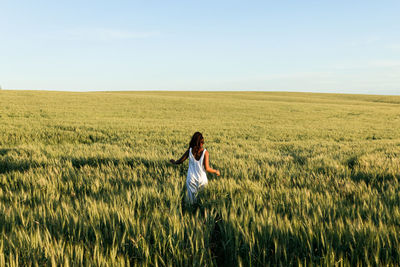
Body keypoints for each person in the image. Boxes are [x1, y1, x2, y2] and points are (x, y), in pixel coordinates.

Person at [170, 132, 220, 203]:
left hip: (191, 179)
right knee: (202, 201)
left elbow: (180, 161)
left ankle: (191, 212)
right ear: (201, 142)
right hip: (202, 180)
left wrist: (174, 162)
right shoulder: (205, 153)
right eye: (202, 142)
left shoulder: (190, 151)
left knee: (191, 202)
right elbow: (207, 168)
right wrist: (216, 171)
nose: (202, 144)